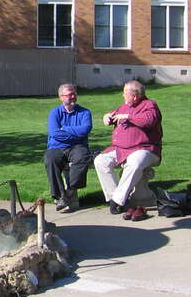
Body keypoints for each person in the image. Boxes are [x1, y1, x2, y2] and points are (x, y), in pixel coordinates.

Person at [94, 80, 162, 218]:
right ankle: (116, 198)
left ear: (135, 96)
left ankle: (117, 200)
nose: (123, 96)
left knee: (134, 163)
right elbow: (113, 115)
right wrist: (106, 117)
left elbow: (149, 120)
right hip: (120, 148)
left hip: (145, 148)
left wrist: (128, 117)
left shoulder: (150, 105)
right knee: (100, 161)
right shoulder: (125, 106)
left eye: (125, 93)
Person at [45, 83, 92, 212]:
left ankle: (70, 191)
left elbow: (85, 130)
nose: (72, 97)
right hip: (57, 146)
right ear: (61, 97)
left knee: (82, 157)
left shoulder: (85, 112)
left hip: (78, 146)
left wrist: (64, 129)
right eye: (68, 95)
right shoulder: (54, 113)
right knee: (50, 159)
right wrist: (75, 135)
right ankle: (60, 196)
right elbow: (54, 133)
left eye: (74, 94)